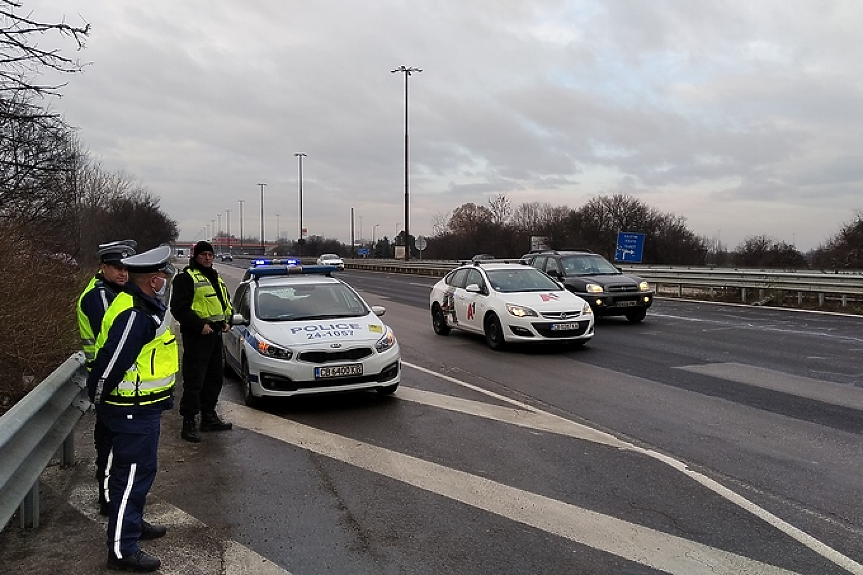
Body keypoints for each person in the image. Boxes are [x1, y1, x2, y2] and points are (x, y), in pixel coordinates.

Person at [87, 245, 177, 572]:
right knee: (131, 479)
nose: (166, 279)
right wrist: (98, 397)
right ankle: (123, 550)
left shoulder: (142, 305)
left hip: (137, 409)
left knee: (130, 477)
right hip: (130, 411)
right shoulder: (136, 314)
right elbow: (111, 363)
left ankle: (132, 526)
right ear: (152, 281)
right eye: (163, 276)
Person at [76, 239, 137, 517]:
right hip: (108, 382)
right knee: (110, 447)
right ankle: (108, 502)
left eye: (126, 268)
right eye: (116, 268)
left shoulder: (115, 292)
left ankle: (121, 502)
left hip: (117, 381)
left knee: (121, 447)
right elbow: (115, 339)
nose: (122, 273)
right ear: (103, 268)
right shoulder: (100, 296)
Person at [170, 240, 233, 443]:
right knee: (194, 381)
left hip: (215, 335)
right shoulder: (186, 278)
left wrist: (226, 321)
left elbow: (224, 303)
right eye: (204, 254)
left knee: (214, 379)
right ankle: (189, 422)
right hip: (197, 336)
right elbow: (179, 308)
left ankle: (209, 417)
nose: (207, 258)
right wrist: (199, 325)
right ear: (195, 256)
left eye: (210, 255)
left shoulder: (215, 277)